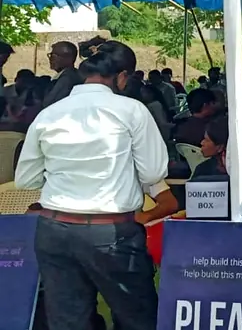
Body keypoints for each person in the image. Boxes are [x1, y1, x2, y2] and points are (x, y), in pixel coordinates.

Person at [15, 40, 168, 330]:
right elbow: (153, 172)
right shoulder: (132, 110)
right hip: (111, 230)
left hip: (54, 229)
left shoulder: (49, 113)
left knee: (68, 322)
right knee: (137, 318)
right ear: (121, 77)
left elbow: (26, 179)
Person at [44, 41, 84, 107]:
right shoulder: (68, 75)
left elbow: (49, 103)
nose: (50, 58)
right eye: (50, 55)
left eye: (54, 56)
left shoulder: (68, 78)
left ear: (69, 58)